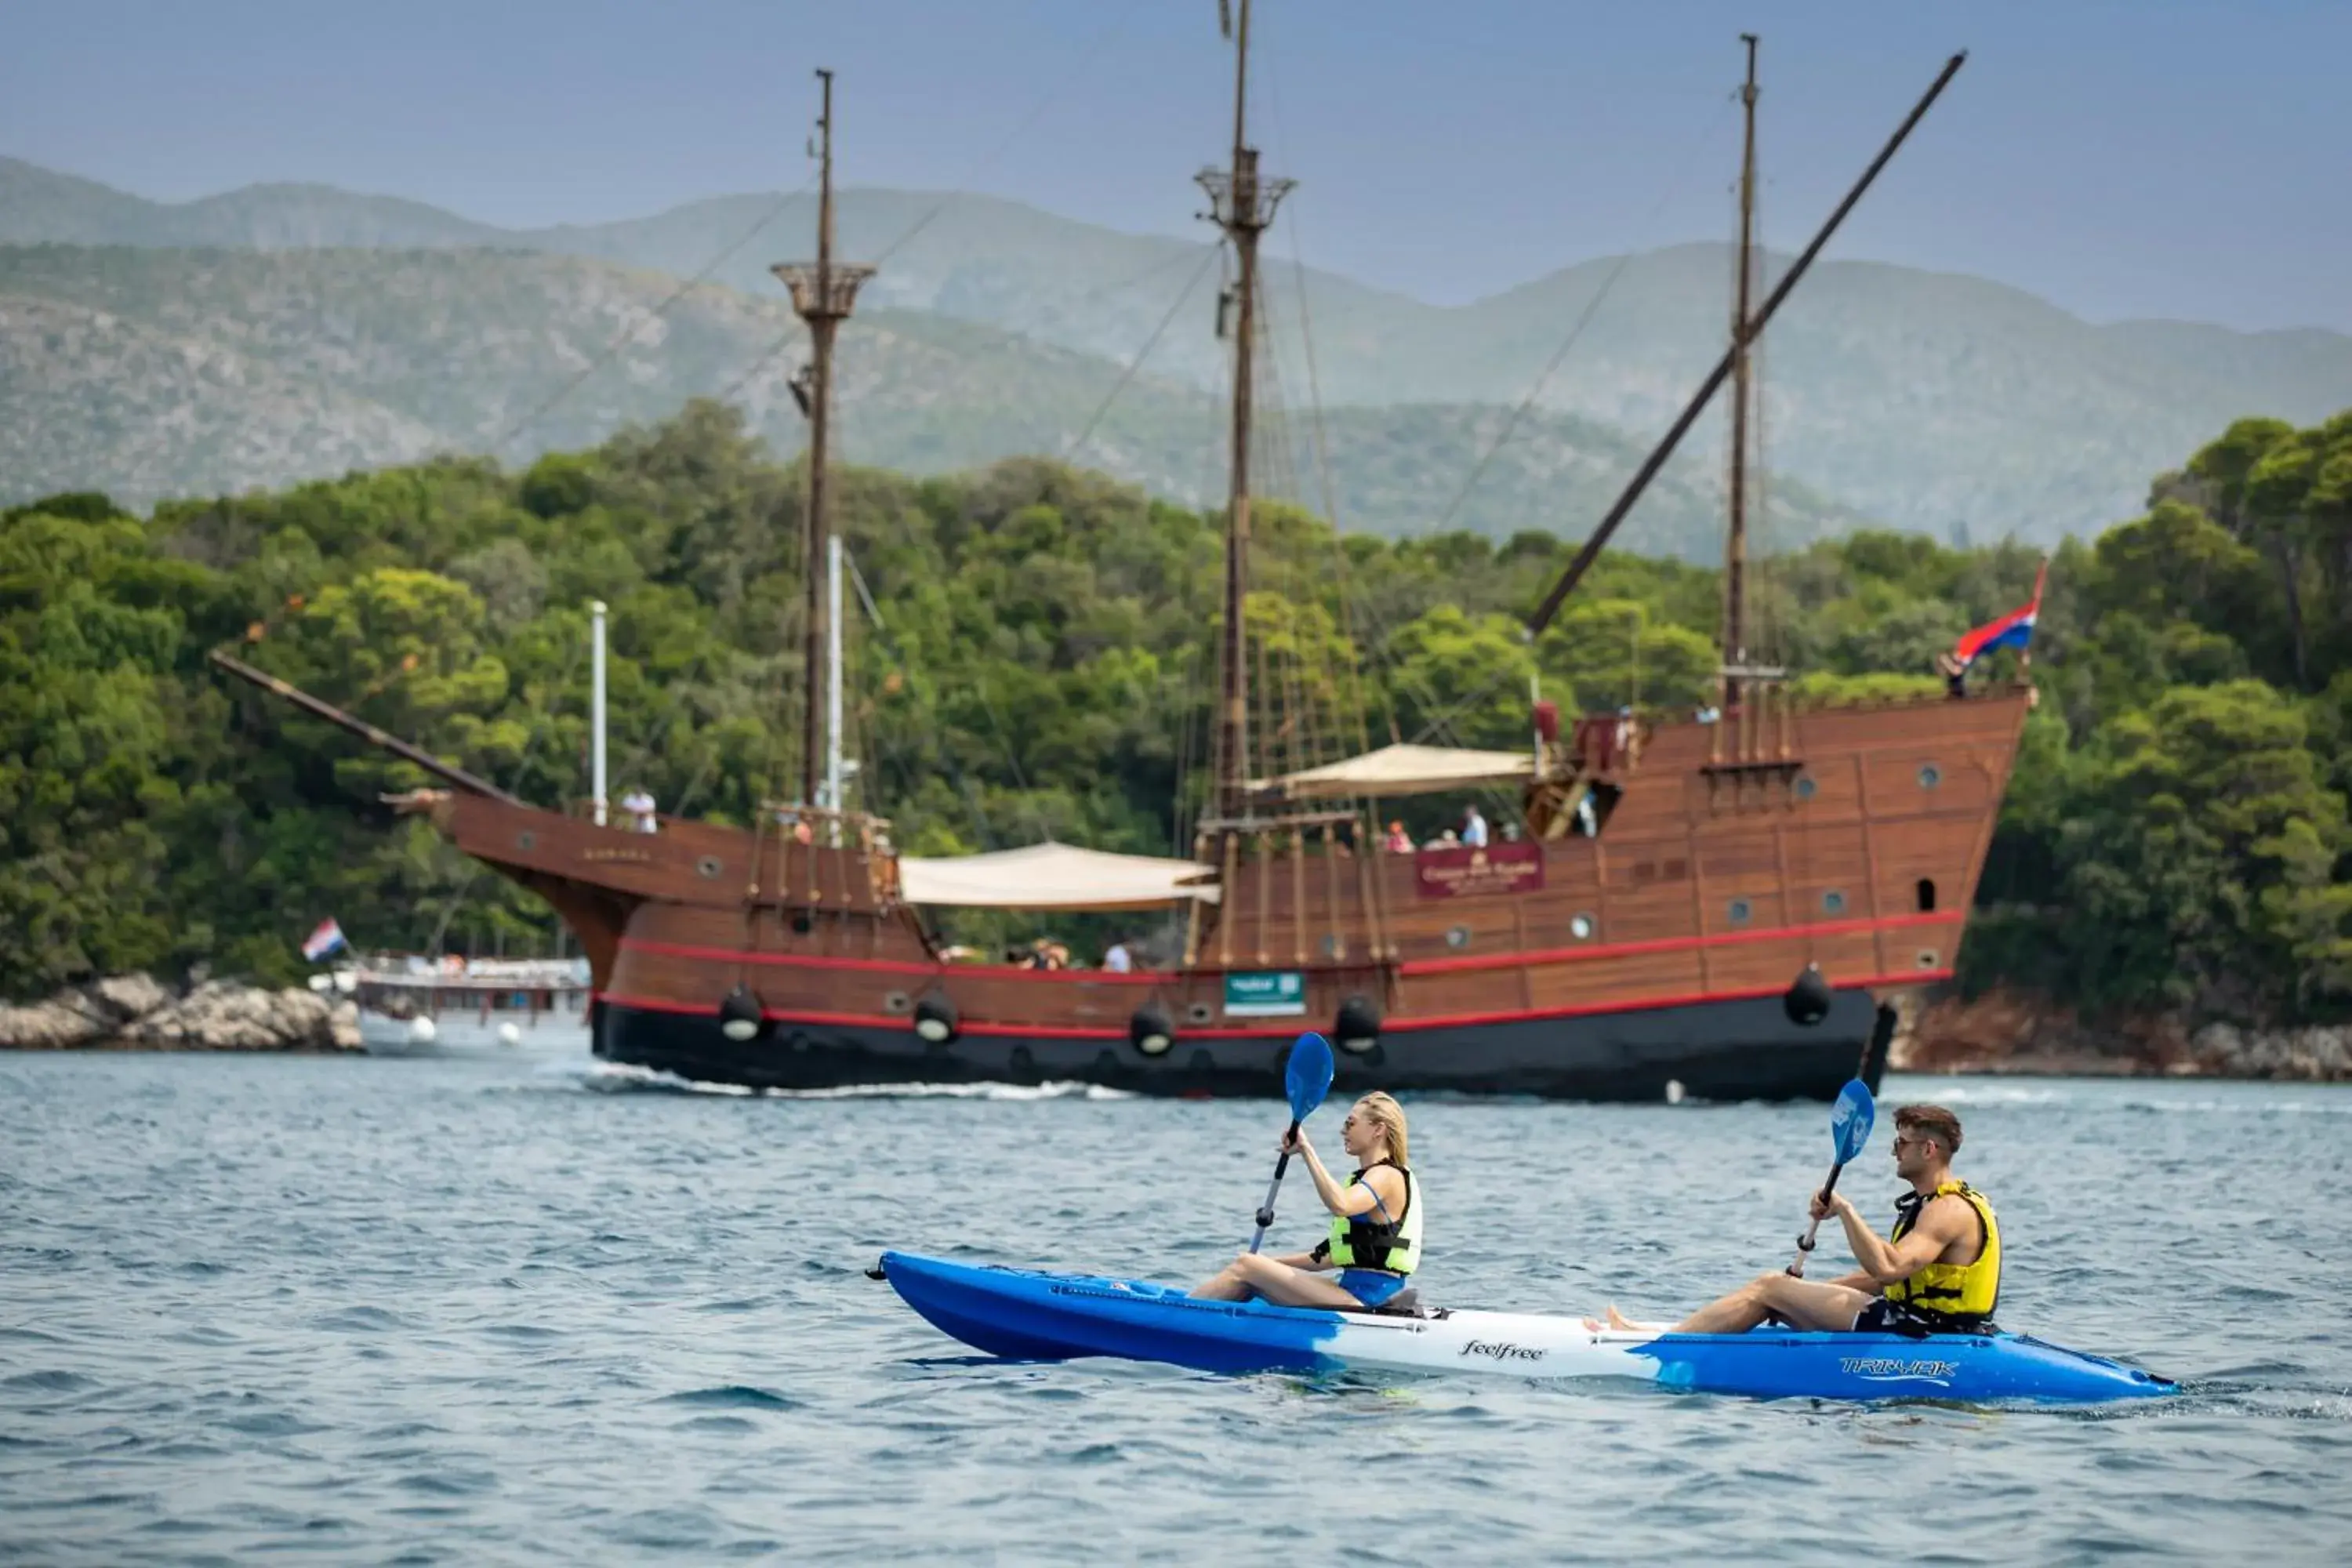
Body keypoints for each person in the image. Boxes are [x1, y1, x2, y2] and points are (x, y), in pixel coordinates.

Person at [1595, 1104, 1999, 1335]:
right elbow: (1884, 1280)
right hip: (1919, 1320)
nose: (1894, 1151)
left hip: (1923, 1333)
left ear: (1928, 1150)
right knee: (1778, 1289)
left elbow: (1890, 1268)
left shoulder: (1948, 1210)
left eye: (1901, 1142)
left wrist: (1845, 1211)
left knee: (1769, 1286)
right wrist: (1805, 1293)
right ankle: (1679, 1333)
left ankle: (1659, 1345)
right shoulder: (1932, 1204)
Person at [1191, 1092, 1422, 1310]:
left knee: (1246, 1267)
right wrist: (1268, 1263)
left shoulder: (1387, 1175)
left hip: (1369, 1300)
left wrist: (1306, 1150)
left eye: (1350, 1124)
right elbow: (1323, 1258)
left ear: (1378, 1130)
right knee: (1251, 1268)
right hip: (1352, 1291)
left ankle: (1181, 1313)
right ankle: (1198, 1311)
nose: (1343, 1131)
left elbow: (1341, 1205)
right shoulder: (1365, 1179)